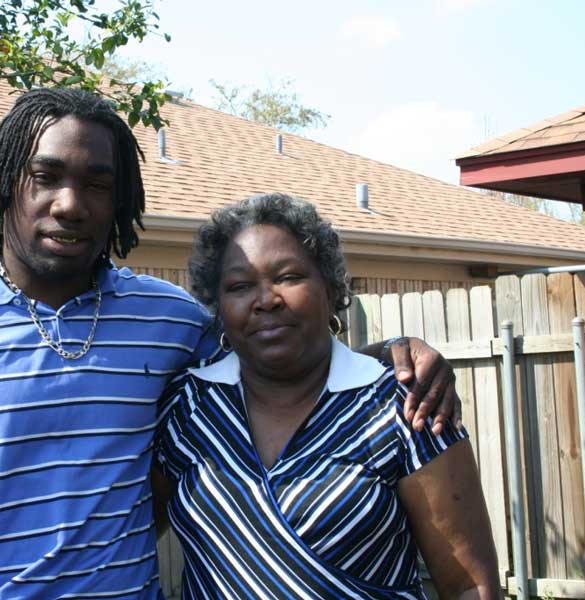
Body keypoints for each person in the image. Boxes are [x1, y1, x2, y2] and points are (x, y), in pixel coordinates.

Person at [0, 88, 461, 599]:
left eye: (97, 184)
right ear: (8, 184)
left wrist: (388, 355)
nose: (70, 203)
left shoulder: (174, 325)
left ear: (119, 203)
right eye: (47, 176)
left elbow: (281, 366)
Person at [153, 193, 500, 600]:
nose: (266, 300)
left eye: (288, 277)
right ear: (219, 308)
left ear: (332, 290)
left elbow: (470, 586)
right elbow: (128, 535)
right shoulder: (187, 410)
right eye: (240, 286)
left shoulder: (403, 408)